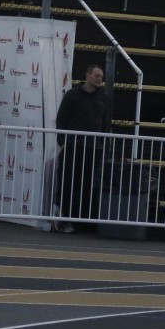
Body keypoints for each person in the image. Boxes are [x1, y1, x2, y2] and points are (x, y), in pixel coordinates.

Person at [54, 64, 107, 231]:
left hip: (94, 149)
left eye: (101, 76)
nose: (100, 79)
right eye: (97, 75)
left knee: (88, 185)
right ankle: (64, 218)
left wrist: (103, 145)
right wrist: (62, 142)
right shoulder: (72, 95)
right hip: (74, 147)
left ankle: (83, 221)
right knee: (69, 182)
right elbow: (61, 119)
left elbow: (106, 123)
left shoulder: (104, 97)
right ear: (88, 75)